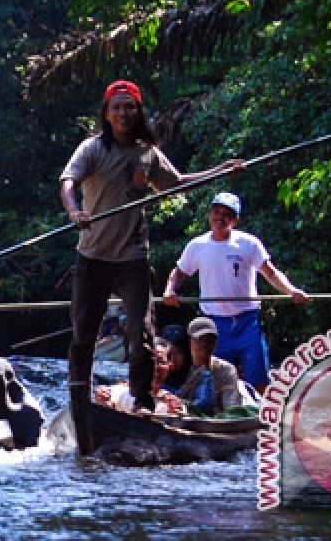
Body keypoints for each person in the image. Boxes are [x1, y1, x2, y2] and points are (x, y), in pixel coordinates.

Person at [59, 79, 242, 453]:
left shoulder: (147, 153)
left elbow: (176, 184)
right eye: (117, 107)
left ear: (137, 112)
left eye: (130, 107)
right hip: (92, 256)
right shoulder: (92, 149)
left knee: (142, 332)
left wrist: (220, 170)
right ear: (107, 114)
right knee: (83, 334)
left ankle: (142, 403)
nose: (124, 113)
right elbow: (68, 181)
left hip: (132, 258)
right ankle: (80, 402)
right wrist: (75, 210)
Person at [162, 191, 310, 389]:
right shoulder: (197, 246)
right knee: (215, 381)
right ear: (209, 215)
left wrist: (292, 291)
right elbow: (179, 273)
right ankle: (217, 416)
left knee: (258, 377)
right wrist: (169, 290)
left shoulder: (248, 243)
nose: (220, 218)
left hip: (247, 321)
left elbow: (271, 273)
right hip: (214, 326)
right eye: (216, 212)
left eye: (226, 214)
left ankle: (259, 416)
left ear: (235, 220)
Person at [177, 316, 243, 416]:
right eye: (200, 339)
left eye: (210, 339)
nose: (205, 343)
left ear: (216, 343)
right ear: (190, 341)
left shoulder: (226, 370)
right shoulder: (179, 367)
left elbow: (231, 408)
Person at [157, 323, 191, 394]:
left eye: (178, 353)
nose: (173, 359)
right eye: (169, 354)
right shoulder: (153, 377)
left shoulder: (195, 377)